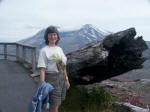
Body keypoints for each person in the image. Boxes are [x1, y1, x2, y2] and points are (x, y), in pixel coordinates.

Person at [37, 26, 70, 112]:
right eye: (50, 34)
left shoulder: (59, 49)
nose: (52, 37)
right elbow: (42, 69)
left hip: (61, 78)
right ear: (46, 36)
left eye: (54, 34)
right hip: (51, 79)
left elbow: (63, 66)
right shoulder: (44, 51)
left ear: (57, 36)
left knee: (57, 104)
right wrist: (42, 85)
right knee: (54, 105)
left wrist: (66, 80)